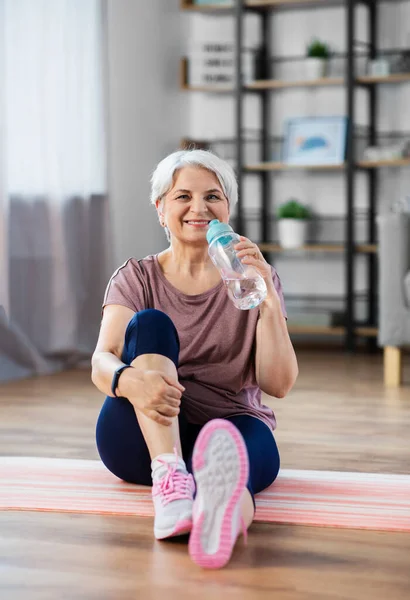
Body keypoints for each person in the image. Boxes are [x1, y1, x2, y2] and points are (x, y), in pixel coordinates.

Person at [91, 149, 298, 569]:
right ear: (161, 208)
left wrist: (270, 302)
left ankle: (218, 519)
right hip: (141, 436)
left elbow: (279, 384)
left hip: (230, 424)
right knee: (151, 323)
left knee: (236, 470)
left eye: (213, 196)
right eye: (183, 195)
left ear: (228, 209)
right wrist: (130, 381)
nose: (199, 207)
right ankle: (170, 478)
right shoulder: (136, 277)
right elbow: (102, 359)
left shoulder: (253, 279)